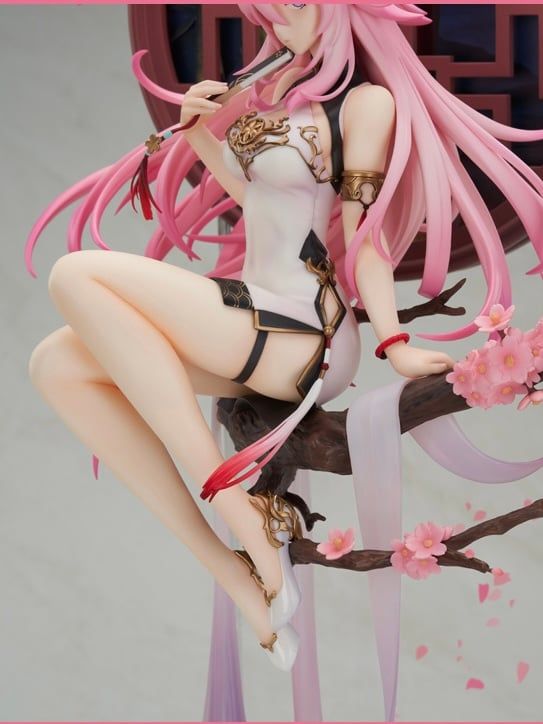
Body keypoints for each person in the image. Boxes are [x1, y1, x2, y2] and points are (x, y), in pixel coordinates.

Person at [25, 2, 543, 715]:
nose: (277, 19)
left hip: (305, 331)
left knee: (76, 275)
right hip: (252, 310)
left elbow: (366, 240)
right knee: (57, 364)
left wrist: (393, 344)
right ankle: (236, 573)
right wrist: (200, 134)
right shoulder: (271, 92)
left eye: (295, 5)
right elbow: (258, 200)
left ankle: (241, 509)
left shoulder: (366, 104)